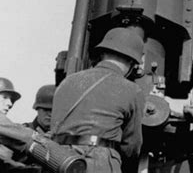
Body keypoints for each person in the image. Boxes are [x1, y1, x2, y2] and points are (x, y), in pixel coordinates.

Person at [50, 27, 145, 173]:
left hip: (60, 161)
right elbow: (131, 147)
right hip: (98, 163)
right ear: (131, 61)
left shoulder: (67, 82)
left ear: (102, 53)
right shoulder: (132, 90)